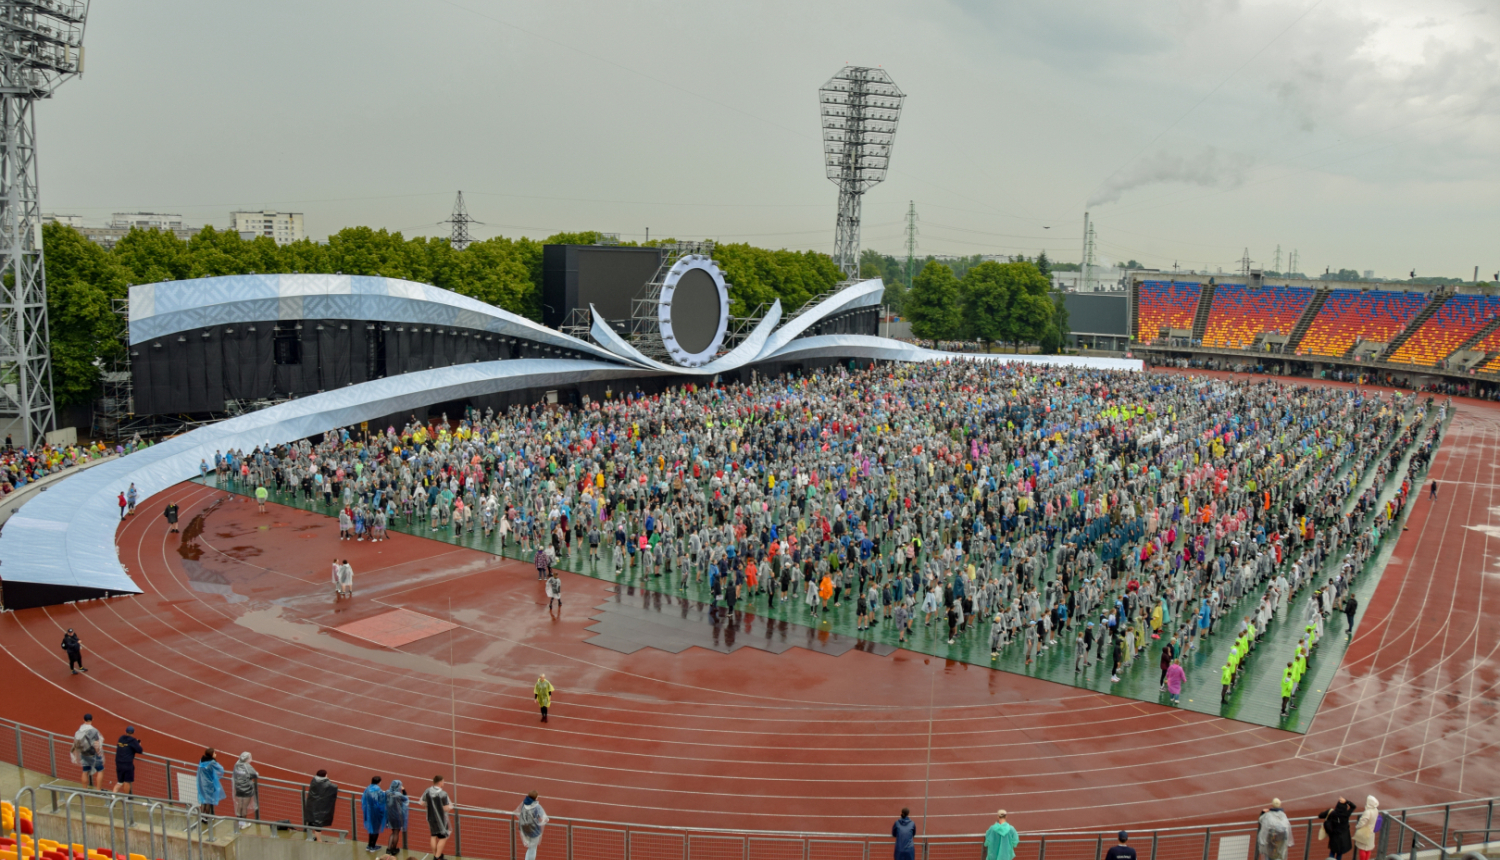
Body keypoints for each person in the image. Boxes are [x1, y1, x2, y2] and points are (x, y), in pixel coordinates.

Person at [421, 776, 452, 860]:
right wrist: (448, 808)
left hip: (430, 817)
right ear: (439, 782)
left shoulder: (427, 791)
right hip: (441, 819)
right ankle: (437, 857)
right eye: (443, 782)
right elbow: (446, 808)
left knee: (433, 835)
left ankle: (436, 855)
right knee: (443, 837)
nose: (444, 783)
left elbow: (422, 803)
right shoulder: (443, 794)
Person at [303, 769, 339, 841]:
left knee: (310, 821)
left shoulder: (314, 780)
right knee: (318, 823)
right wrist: (328, 780)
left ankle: (310, 837)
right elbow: (334, 787)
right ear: (325, 775)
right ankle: (319, 840)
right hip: (319, 806)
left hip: (311, 804)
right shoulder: (326, 784)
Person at [71, 713, 104, 788]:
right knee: (100, 770)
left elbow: (76, 742)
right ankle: (98, 790)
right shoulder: (94, 731)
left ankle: (85, 790)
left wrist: (76, 755)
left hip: (83, 753)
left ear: (83, 720)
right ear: (92, 720)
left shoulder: (80, 730)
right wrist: (98, 752)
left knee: (85, 771)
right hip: (93, 754)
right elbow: (96, 743)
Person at [516, 791, 549, 860]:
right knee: (533, 849)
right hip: (534, 830)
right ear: (536, 798)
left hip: (524, 829)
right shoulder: (537, 806)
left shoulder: (523, 804)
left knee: (530, 847)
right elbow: (544, 817)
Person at [232, 752, 259, 829]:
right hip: (247, 789)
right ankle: (243, 823)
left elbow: (234, 774)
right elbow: (255, 774)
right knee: (244, 806)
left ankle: (239, 822)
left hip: (238, 788)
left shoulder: (237, 765)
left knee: (239, 805)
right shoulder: (247, 766)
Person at [196, 748, 225, 818]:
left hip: (201, 782)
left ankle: (202, 816)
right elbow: (221, 770)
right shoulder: (212, 762)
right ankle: (206, 817)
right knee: (209, 801)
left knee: (203, 800)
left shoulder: (201, 760)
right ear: (211, 754)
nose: (215, 754)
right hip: (209, 783)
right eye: (214, 753)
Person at [362, 776, 388, 852]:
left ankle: (369, 845)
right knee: (376, 830)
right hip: (376, 812)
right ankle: (373, 846)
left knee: (371, 829)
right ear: (379, 782)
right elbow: (382, 800)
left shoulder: (367, 788)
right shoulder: (378, 790)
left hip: (368, 811)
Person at [114, 726, 142, 794]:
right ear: (133, 732)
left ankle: (113, 795)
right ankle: (126, 799)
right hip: (127, 764)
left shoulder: (121, 738)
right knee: (127, 782)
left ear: (125, 732)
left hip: (119, 762)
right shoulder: (133, 741)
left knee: (120, 782)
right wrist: (138, 744)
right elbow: (140, 750)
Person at [384, 779, 409, 856]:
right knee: (396, 832)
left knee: (393, 832)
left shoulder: (387, 792)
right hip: (397, 815)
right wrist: (404, 790)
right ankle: (394, 849)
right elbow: (406, 799)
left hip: (389, 814)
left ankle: (388, 849)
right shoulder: (399, 795)